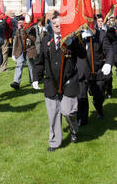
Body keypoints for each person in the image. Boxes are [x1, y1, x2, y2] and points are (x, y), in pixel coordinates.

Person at [35, 15, 87, 151]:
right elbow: (40, 62)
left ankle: (74, 129)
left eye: (59, 23)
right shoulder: (47, 40)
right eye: (54, 23)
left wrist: (73, 42)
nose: (57, 25)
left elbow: (83, 55)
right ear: (51, 25)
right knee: (53, 114)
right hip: (51, 83)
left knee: (68, 111)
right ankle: (54, 142)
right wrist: (36, 77)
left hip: (69, 82)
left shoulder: (72, 39)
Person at [77, 22, 115, 124]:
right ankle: (82, 119)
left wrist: (108, 63)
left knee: (99, 96)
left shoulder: (101, 35)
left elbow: (109, 51)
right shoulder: (77, 36)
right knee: (81, 96)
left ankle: (99, 109)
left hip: (97, 72)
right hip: (81, 71)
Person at [10, 16, 40, 90]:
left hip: (29, 49)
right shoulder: (18, 30)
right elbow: (16, 42)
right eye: (18, 22)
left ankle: (33, 81)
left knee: (31, 66)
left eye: (21, 22)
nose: (19, 24)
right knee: (19, 64)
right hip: (20, 50)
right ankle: (16, 82)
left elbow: (34, 39)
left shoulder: (31, 29)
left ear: (24, 22)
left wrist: (28, 34)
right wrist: (13, 53)